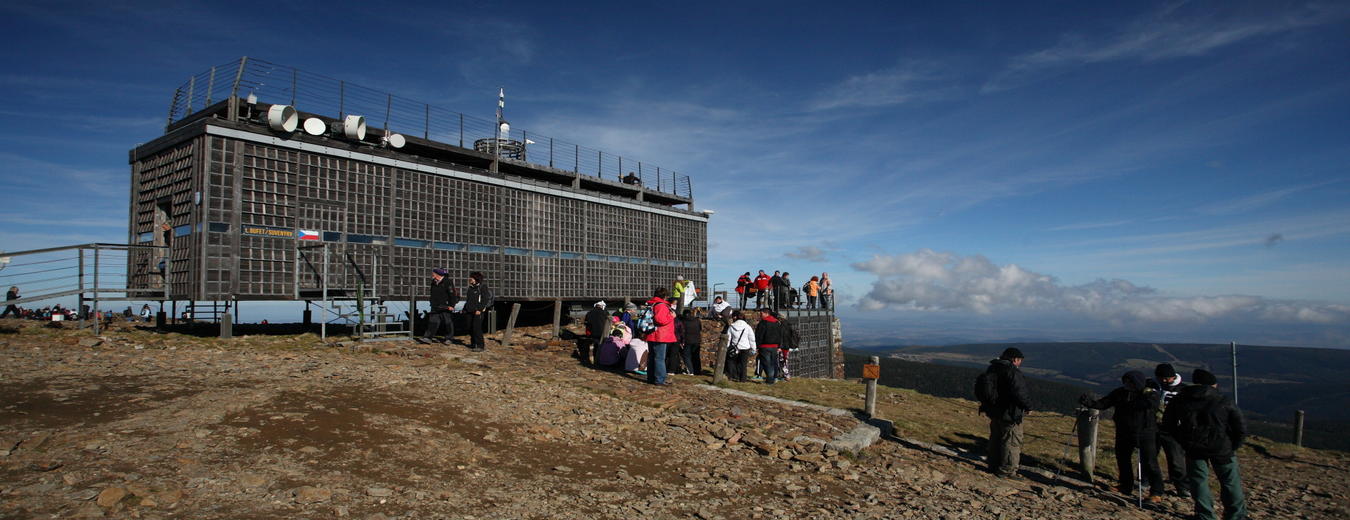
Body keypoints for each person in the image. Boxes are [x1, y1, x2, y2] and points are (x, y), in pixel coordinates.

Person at [1160, 369, 1247, 520]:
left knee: (1199, 481)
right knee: (1230, 481)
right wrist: (1233, 445)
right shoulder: (1222, 399)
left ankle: (1205, 514)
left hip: (1194, 447)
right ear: (1213, 384)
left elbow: (1168, 424)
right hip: (1222, 447)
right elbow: (1239, 427)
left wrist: (1183, 440)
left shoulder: (1181, 399)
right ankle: (1236, 515)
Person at [1080, 370, 1166, 502]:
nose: (1127, 384)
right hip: (1124, 431)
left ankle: (1156, 491)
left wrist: (1129, 404)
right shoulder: (1120, 393)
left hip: (1145, 432)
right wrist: (1090, 403)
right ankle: (1125, 485)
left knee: (1150, 462)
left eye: (1130, 382)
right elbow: (1104, 403)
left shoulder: (1149, 394)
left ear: (1137, 382)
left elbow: (1151, 405)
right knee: (1123, 459)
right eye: (1126, 381)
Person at [982, 347, 1031, 478]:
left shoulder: (993, 368)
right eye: (1020, 360)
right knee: (1011, 441)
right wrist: (1028, 407)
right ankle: (1007, 471)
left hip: (994, 411)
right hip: (1010, 412)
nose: (1020, 362)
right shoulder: (1012, 371)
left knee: (996, 438)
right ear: (1015, 359)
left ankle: (993, 465)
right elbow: (1019, 392)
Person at [1150, 363, 1190, 497]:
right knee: (1150, 456)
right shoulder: (1152, 386)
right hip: (1153, 426)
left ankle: (1182, 486)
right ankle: (1147, 481)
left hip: (1173, 429)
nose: (1164, 381)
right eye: (1161, 378)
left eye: (1167, 378)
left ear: (1173, 377)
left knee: (1176, 459)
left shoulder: (1183, 390)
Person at [643, 288, 676, 386]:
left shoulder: (652, 304)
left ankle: (651, 378)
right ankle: (660, 380)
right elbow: (660, 320)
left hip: (652, 333)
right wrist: (672, 316)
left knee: (653, 357)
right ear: (665, 296)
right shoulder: (661, 305)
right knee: (660, 358)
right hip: (660, 335)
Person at [421, 268, 457, 344]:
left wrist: (452, 305)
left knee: (447, 322)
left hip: (446, 306)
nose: (432, 275)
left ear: (438, 274)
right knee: (433, 322)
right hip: (435, 306)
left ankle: (449, 338)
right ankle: (428, 338)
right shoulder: (433, 282)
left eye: (433, 273)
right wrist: (431, 302)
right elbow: (432, 293)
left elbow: (452, 294)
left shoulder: (448, 282)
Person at [753, 309, 785, 384]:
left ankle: (770, 380)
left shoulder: (763, 323)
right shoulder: (777, 322)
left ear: (766, 313)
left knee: (767, 363)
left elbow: (759, 335)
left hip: (765, 346)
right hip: (775, 346)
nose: (760, 315)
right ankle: (774, 377)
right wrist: (779, 345)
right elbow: (780, 335)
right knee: (773, 362)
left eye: (761, 313)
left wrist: (757, 346)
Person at [463, 271, 492, 351]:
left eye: (471, 278)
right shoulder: (470, 288)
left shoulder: (482, 287)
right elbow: (468, 300)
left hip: (478, 312)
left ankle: (480, 346)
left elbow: (485, 299)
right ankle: (473, 343)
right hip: (469, 311)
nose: (470, 279)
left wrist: (479, 309)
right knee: (469, 327)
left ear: (476, 278)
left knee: (477, 328)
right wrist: (464, 309)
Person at [724, 311, 756, 382]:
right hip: (745, 348)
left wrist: (727, 347)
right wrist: (753, 349)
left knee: (732, 362)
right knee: (743, 364)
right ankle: (743, 379)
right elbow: (752, 339)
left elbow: (728, 338)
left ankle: (732, 376)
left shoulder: (731, 327)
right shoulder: (747, 327)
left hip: (735, 347)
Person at [677, 308, 702, 375]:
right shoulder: (697, 320)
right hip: (697, 340)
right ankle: (697, 371)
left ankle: (690, 370)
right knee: (696, 356)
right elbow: (700, 329)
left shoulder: (683, 321)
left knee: (687, 356)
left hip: (687, 340)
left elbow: (681, 331)